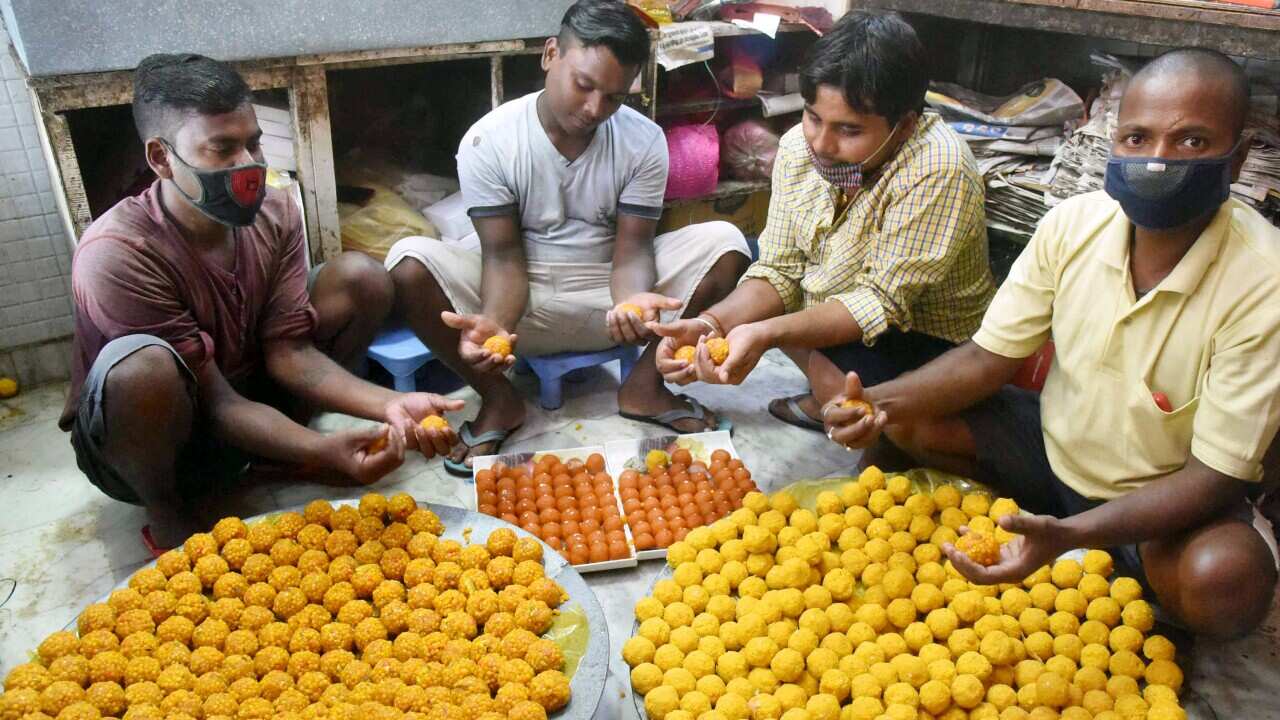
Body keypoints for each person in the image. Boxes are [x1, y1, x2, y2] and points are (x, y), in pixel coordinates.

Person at [821, 48, 1280, 639]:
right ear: (1113, 142)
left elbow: (1214, 477)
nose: (1157, 161)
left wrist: (1074, 536)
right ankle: (1056, 542)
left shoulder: (1263, 279)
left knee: (1226, 581)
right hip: (1050, 452)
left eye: (1191, 142)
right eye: (1137, 139)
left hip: (1163, 503)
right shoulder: (1073, 225)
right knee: (907, 418)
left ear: (1237, 159)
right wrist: (879, 405)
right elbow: (990, 359)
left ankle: (1089, 555)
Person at [61, 54, 462, 546]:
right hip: (160, 425)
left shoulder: (274, 211)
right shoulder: (118, 252)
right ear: (161, 159)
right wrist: (321, 452)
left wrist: (394, 404)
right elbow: (216, 402)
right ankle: (168, 509)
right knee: (143, 368)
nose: (247, 165)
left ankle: (272, 453)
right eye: (221, 149)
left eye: (253, 143)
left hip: (244, 388)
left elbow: (291, 352)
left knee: (362, 278)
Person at [388, 0, 751, 475]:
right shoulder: (489, 141)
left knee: (728, 243)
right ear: (550, 54)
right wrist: (495, 326)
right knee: (409, 261)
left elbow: (633, 249)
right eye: (584, 85)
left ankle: (643, 387)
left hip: (606, 289)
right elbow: (501, 258)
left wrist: (634, 303)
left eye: (614, 98)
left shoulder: (643, 141)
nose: (595, 108)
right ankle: (499, 399)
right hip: (520, 297)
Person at [650, 10, 994, 441]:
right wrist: (710, 326)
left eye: (849, 130)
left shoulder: (938, 166)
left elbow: (879, 303)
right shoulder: (798, 147)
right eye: (813, 117)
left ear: (904, 125)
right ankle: (823, 386)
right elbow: (780, 270)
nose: (822, 144)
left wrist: (763, 334)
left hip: (926, 340)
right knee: (762, 289)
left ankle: (837, 399)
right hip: (838, 303)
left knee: (859, 409)